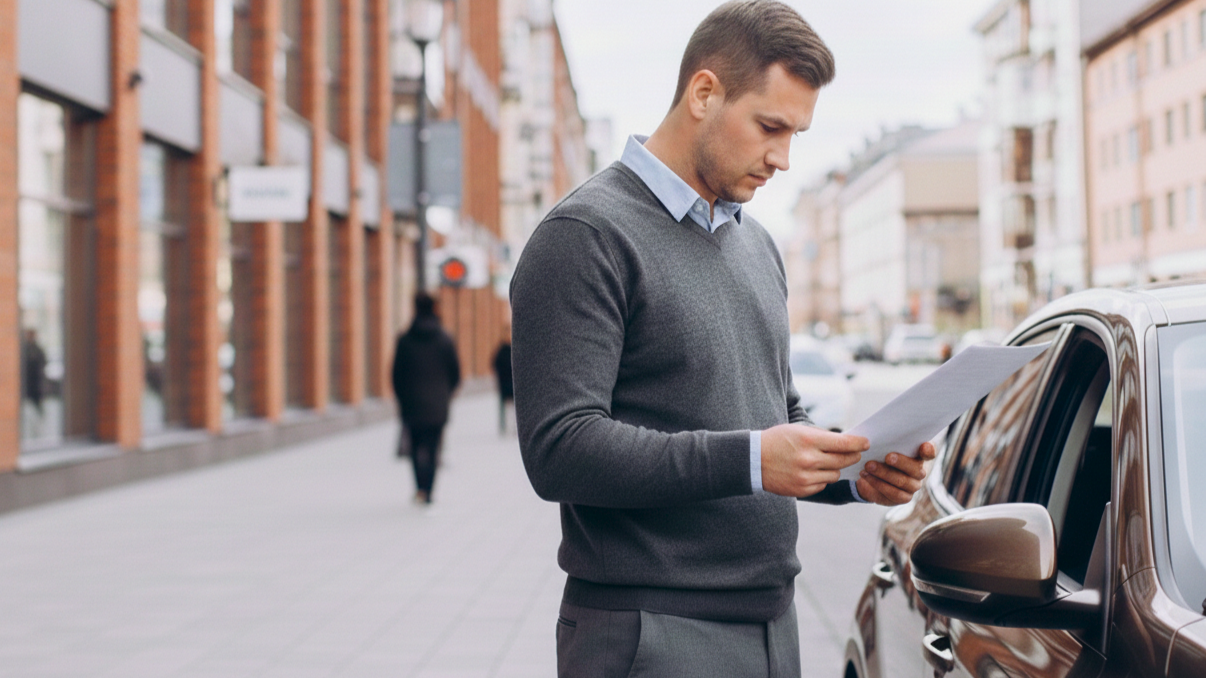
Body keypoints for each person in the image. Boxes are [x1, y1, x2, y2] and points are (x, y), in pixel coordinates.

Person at [509, 2, 937, 675]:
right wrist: (752, 460)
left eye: (797, 133)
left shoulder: (757, 245)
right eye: (771, 126)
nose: (784, 158)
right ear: (704, 93)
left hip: (772, 621)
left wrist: (855, 474)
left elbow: (776, 421)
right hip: (651, 628)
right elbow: (559, 450)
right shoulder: (585, 236)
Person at [391, 293, 461, 505]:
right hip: (437, 405)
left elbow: (396, 375)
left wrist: (403, 399)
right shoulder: (444, 339)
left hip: (412, 405)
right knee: (432, 448)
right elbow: (455, 373)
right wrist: (445, 395)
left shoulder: (404, 340)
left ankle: (420, 488)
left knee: (414, 447)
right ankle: (429, 490)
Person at [492, 326, 514, 435]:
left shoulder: (514, 350)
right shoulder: (501, 351)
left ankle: (515, 428)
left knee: (515, 408)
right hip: (504, 382)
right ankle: (503, 427)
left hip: (513, 384)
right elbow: (494, 364)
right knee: (503, 407)